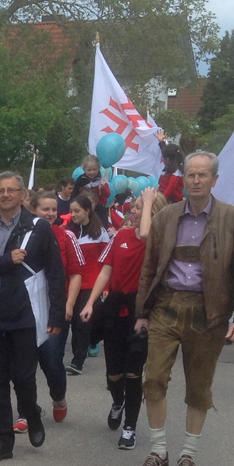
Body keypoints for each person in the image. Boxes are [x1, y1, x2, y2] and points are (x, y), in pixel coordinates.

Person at [132, 151, 234, 466]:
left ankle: (188, 455)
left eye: (203, 175)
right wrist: (142, 312)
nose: (197, 180)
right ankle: (158, 452)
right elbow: (149, 268)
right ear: (184, 179)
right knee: (153, 379)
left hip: (208, 312)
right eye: (191, 174)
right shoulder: (166, 216)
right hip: (166, 307)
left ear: (215, 180)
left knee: (199, 387)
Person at [0, 172, 67, 462]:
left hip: (25, 314)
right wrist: (6, 260)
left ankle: (31, 414)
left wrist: (57, 316)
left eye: (12, 190)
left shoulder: (37, 228)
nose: (6, 195)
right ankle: (2, 441)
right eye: (1, 191)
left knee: (23, 377)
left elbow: (55, 273)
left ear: (23, 195)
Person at [81, 187, 163, 450]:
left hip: (141, 314)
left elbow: (147, 233)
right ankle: (118, 401)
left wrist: (149, 201)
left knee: (133, 373)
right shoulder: (121, 236)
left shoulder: (157, 240)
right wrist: (91, 302)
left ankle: (130, 427)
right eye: (134, 206)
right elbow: (106, 270)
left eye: (139, 207)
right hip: (115, 309)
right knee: (114, 374)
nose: (133, 211)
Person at [34, 190, 84, 423]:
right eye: (45, 209)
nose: (50, 213)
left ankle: (58, 396)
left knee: (51, 361)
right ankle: (26, 410)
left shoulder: (65, 236)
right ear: (34, 210)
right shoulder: (24, 234)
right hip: (28, 308)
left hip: (55, 309)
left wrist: (69, 305)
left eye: (54, 209)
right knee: (24, 364)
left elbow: (75, 274)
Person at [65, 194, 111, 375]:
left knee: (82, 322)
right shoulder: (68, 232)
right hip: (73, 283)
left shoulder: (100, 232)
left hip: (92, 283)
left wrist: (106, 287)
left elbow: (108, 262)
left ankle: (78, 361)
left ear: (87, 210)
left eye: (76, 211)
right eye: (71, 211)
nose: (73, 215)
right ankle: (81, 354)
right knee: (74, 323)